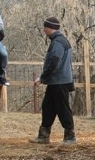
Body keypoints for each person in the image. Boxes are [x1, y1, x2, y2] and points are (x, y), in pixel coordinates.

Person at [30, 16, 76, 145]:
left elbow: (54, 61)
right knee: (48, 107)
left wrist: (43, 77)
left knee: (63, 109)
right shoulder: (59, 41)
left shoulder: (58, 43)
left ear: (51, 28)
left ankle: (70, 137)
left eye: (45, 27)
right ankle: (43, 136)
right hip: (55, 82)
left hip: (59, 82)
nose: (44, 30)